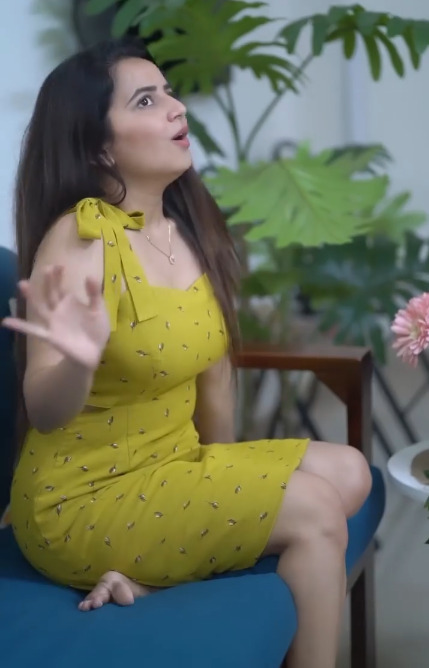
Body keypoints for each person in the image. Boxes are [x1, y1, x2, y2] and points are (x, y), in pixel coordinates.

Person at [2, 37, 372, 668]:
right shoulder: (82, 235)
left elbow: (215, 381)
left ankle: (148, 578)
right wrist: (80, 360)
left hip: (169, 462)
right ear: (99, 147)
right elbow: (44, 407)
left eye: (168, 92)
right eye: (146, 101)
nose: (176, 108)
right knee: (313, 510)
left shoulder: (185, 228)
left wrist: (227, 492)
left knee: (350, 473)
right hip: (81, 499)